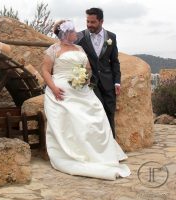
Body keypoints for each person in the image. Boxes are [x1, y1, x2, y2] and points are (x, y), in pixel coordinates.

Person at [41, 20, 130, 180]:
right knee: (73, 118)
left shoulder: (80, 48)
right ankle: (75, 153)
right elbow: (45, 71)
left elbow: (87, 68)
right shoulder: (53, 50)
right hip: (61, 90)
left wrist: (85, 78)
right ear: (66, 33)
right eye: (73, 31)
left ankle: (99, 153)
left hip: (81, 88)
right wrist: (54, 88)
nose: (77, 33)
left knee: (97, 112)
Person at [76, 8, 121, 139]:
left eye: (93, 22)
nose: (89, 25)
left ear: (101, 21)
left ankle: (112, 147)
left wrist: (117, 81)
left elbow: (114, 61)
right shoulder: (80, 37)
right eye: (87, 21)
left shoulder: (111, 37)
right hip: (90, 83)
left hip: (108, 83)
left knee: (109, 113)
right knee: (95, 115)